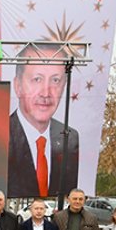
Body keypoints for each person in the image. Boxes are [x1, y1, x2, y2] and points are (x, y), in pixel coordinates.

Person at [8, 43, 80, 198]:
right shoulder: (2, 134)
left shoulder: (69, 138)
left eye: (55, 80)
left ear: (64, 86)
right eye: (37, 79)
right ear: (18, 86)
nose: (46, 93)